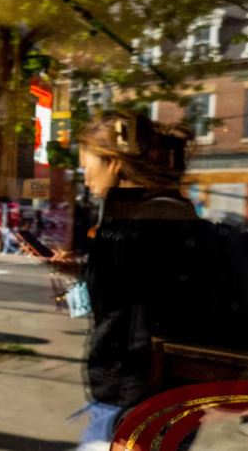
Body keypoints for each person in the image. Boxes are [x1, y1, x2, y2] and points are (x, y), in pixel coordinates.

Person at [72, 112, 211, 450]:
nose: (85, 178)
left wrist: (134, 414)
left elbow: (139, 328)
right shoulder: (166, 213)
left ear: (114, 163)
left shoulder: (133, 227)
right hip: (157, 395)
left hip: (132, 399)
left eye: (87, 165)